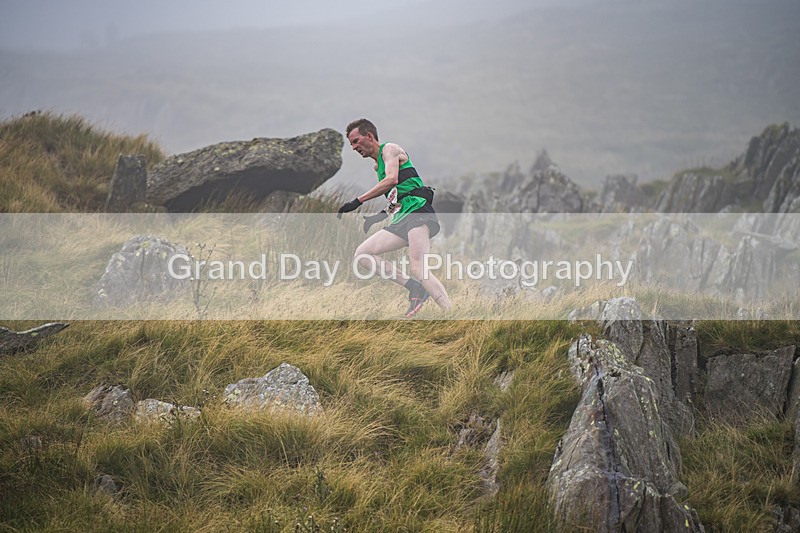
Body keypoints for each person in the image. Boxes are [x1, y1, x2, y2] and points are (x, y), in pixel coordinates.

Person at [338, 118, 451, 317]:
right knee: (363, 255)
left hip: (418, 212)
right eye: (351, 144)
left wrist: (357, 201)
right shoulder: (376, 167)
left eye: (356, 141)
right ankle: (415, 288)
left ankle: (451, 313)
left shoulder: (389, 150)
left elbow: (392, 180)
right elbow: (397, 196)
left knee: (418, 267)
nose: (354, 147)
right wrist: (377, 217)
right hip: (402, 216)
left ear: (369, 136)